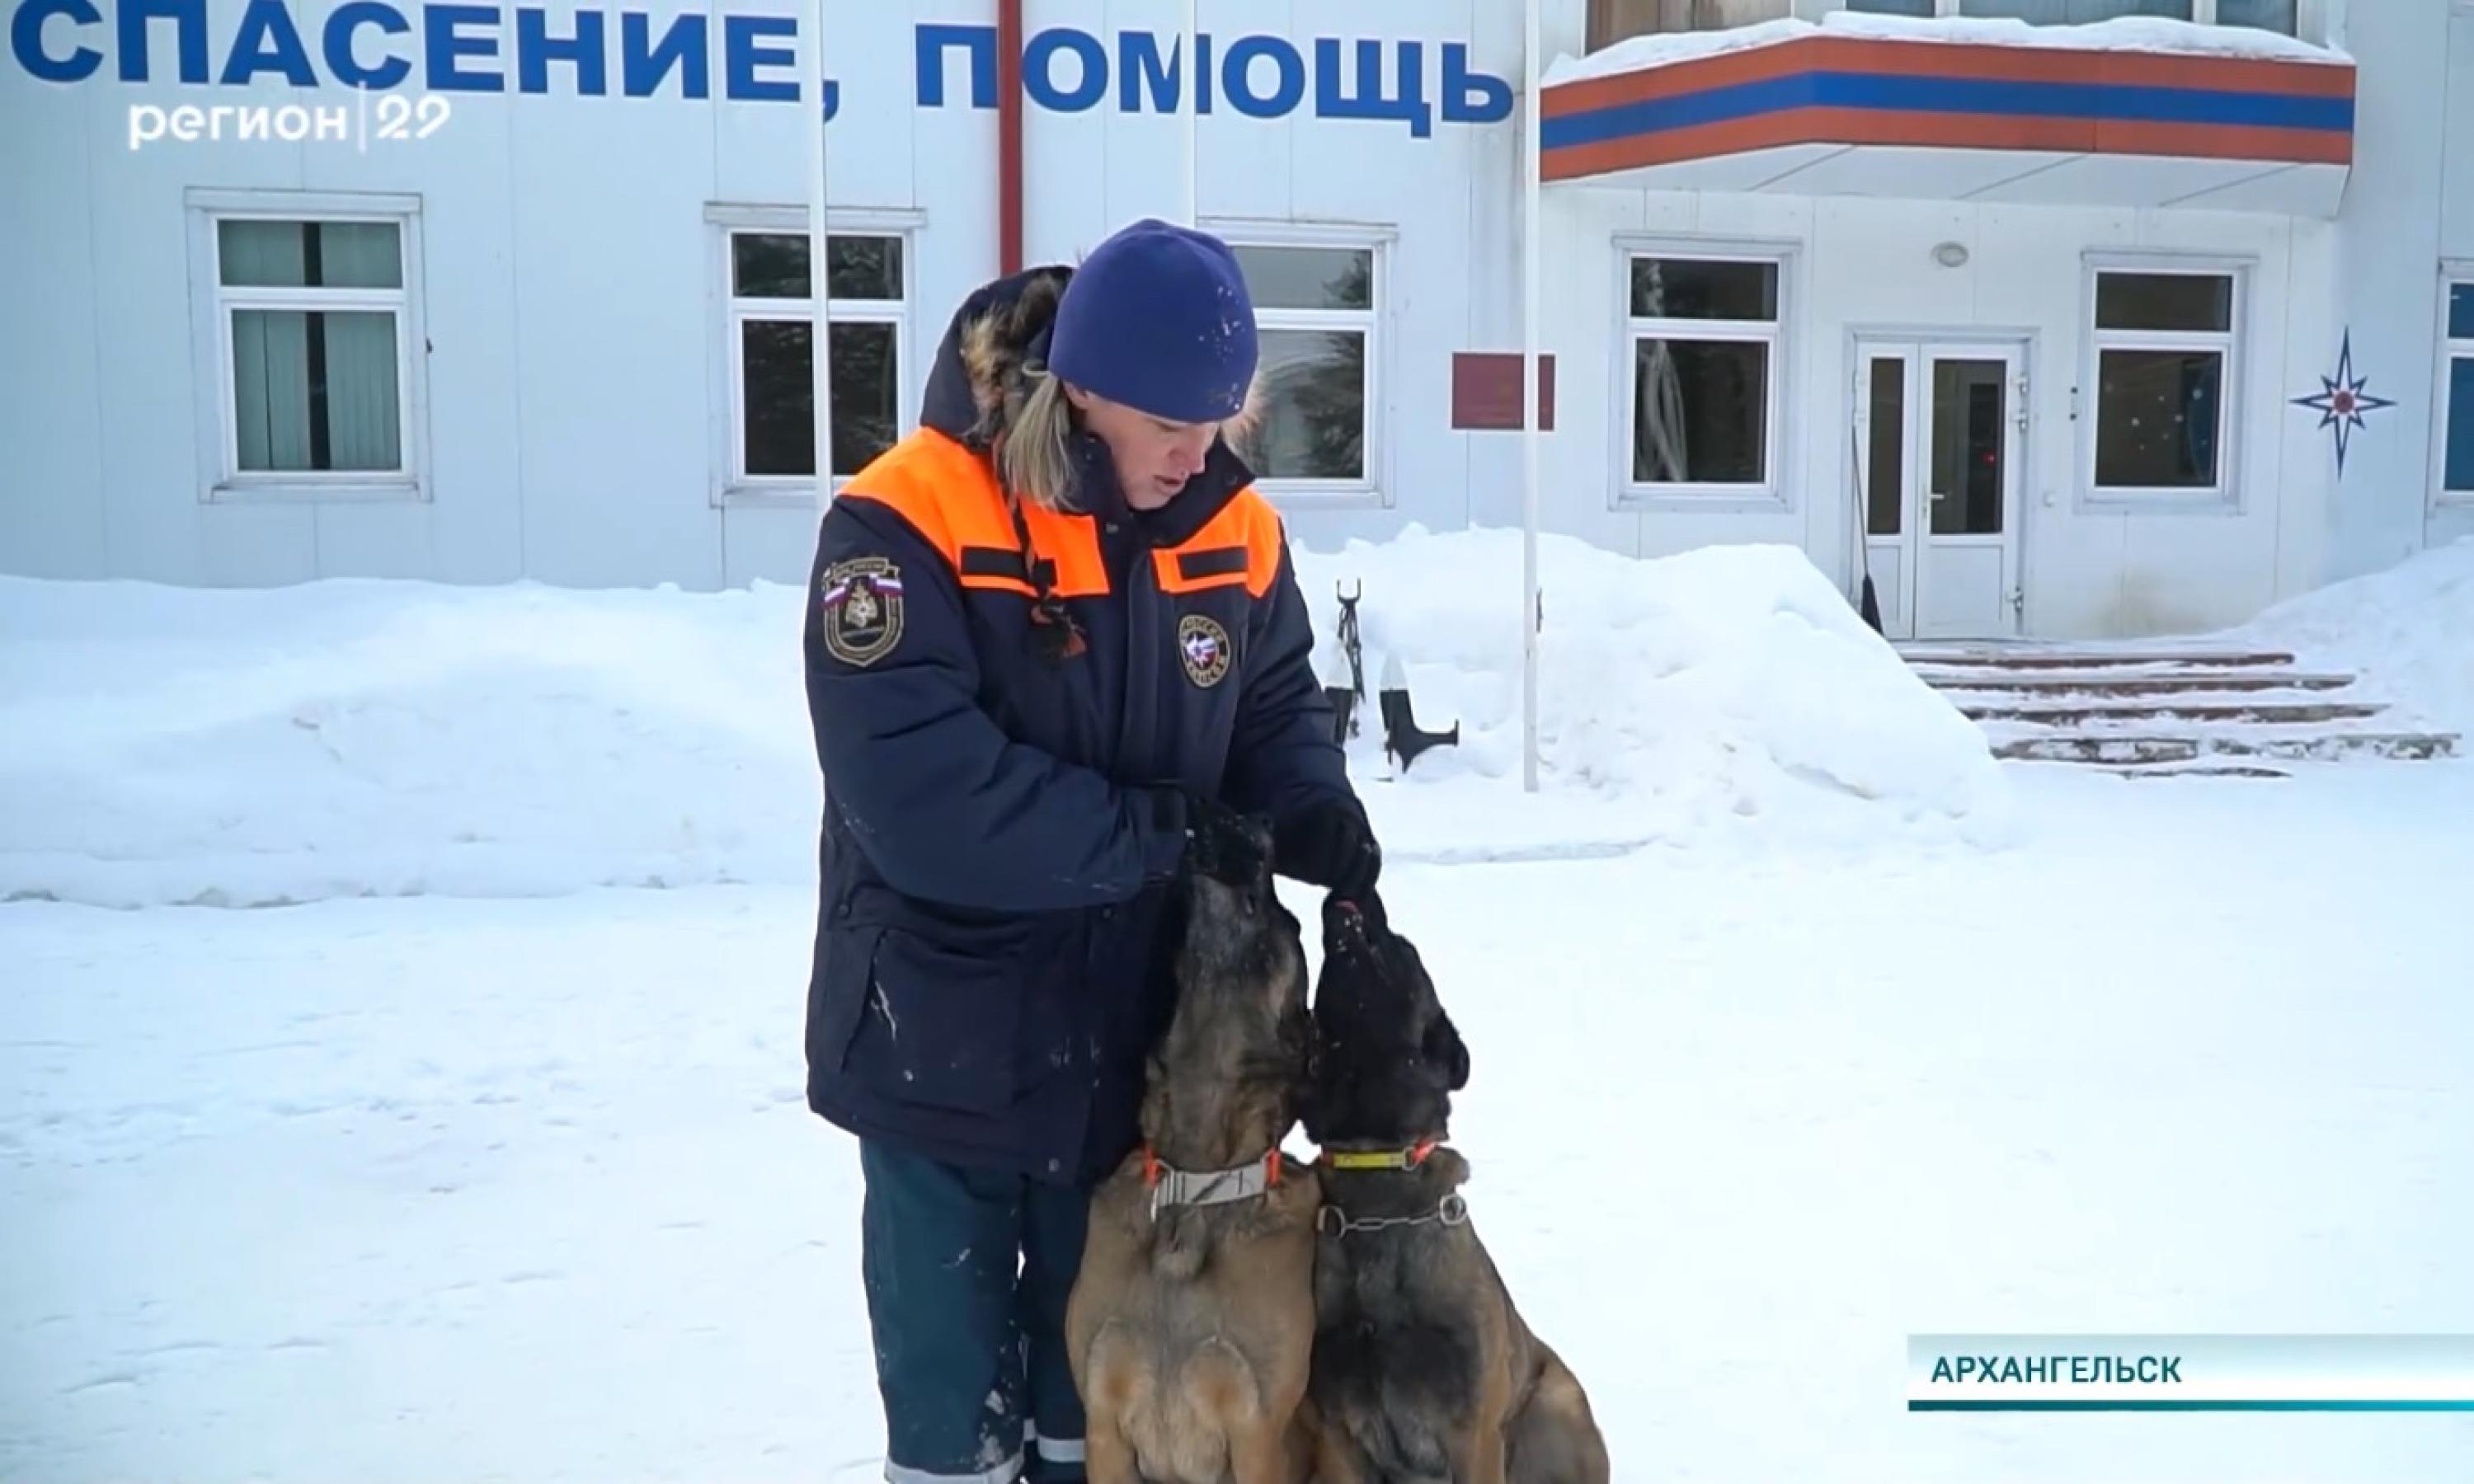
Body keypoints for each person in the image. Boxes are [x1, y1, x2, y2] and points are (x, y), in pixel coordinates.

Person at [799, 218, 1381, 1484]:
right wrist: (1161, 836)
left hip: (1130, 1066)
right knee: (955, 1429)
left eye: (1218, 422)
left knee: (1095, 1425)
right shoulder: (905, 516)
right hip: (944, 1044)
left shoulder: (1235, 527)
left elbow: (1273, 707)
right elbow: (920, 800)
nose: (1197, 453)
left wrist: (1311, 806)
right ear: (1080, 391)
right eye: (1168, 423)